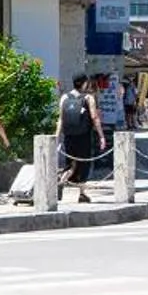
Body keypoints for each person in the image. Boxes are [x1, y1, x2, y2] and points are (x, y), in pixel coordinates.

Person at [56, 73, 104, 203]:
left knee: (71, 163)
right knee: (83, 164)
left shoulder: (64, 97)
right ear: (84, 83)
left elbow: (61, 119)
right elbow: (94, 117)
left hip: (69, 136)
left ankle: (61, 181)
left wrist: (56, 137)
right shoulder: (88, 97)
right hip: (84, 137)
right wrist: (101, 136)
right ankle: (82, 194)